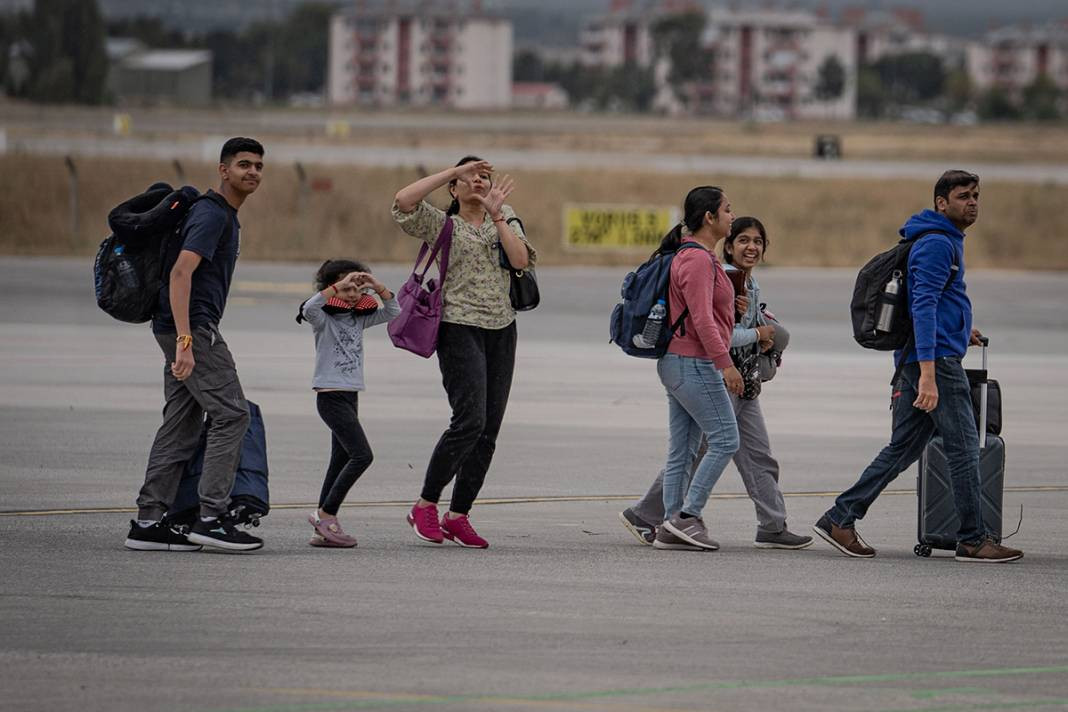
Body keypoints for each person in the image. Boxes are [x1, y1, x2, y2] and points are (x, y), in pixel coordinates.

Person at [813, 170, 1023, 563]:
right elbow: (921, 305)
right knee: (963, 448)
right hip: (936, 364)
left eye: (976, 195)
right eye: (963, 196)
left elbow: (937, 303)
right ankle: (974, 539)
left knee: (901, 450)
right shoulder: (938, 245)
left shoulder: (941, 241)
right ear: (942, 203)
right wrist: (929, 371)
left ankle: (840, 518)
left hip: (929, 355)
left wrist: (963, 330)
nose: (973, 202)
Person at [619, 217, 812, 550]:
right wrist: (753, 335)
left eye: (758, 242)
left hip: (743, 381)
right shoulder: (716, 275)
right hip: (719, 376)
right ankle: (665, 516)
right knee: (704, 449)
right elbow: (712, 331)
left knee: (756, 455)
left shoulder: (750, 286)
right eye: (743, 241)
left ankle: (772, 524)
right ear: (729, 244)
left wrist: (763, 336)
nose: (751, 247)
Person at [124, 137, 265, 553]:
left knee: (182, 425)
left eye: (258, 166)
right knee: (232, 415)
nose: (252, 172)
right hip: (192, 331)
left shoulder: (222, 215)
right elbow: (181, 274)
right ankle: (211, 518)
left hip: (178, 329)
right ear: (224, 170)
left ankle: (148, 523)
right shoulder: (213, 215)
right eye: (243, 164)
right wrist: (186, 340)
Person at [392, 156, 536, 549]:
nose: (479, 180)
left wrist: (499, 217)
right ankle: (425, 504)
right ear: (454, 189)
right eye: (470, 176)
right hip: (458, 327)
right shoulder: (443, 223)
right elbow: (404, 201)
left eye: (485, 177)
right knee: (469, 420)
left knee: (488, 429)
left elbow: (521, 260)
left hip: (502, 328)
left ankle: (458, 515)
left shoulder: (504, 217)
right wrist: (453, 171)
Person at [645, 186, 742, 551]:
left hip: (680, 363)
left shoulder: (698, 257)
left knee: (683, 448)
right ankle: (687, 517)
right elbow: (702, 320)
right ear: (709, 218)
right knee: (726, 439)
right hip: (693, 363)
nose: (732, 216)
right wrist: (726, 365)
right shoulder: (699, 259)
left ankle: (671, 523)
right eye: (728, 210)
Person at [298, 260, 400, 548]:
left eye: (357, 287)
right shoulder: (323, 319)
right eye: (345, 288)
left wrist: (377, 286)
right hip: (330, 396)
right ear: (331, 289)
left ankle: (323, 528)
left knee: (340, 459)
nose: (352, 293)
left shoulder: (359, 319)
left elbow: (394, 311)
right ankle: (325, 514)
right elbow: (308, 309)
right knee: (362, 455)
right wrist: (334, 289)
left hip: (350, 394)